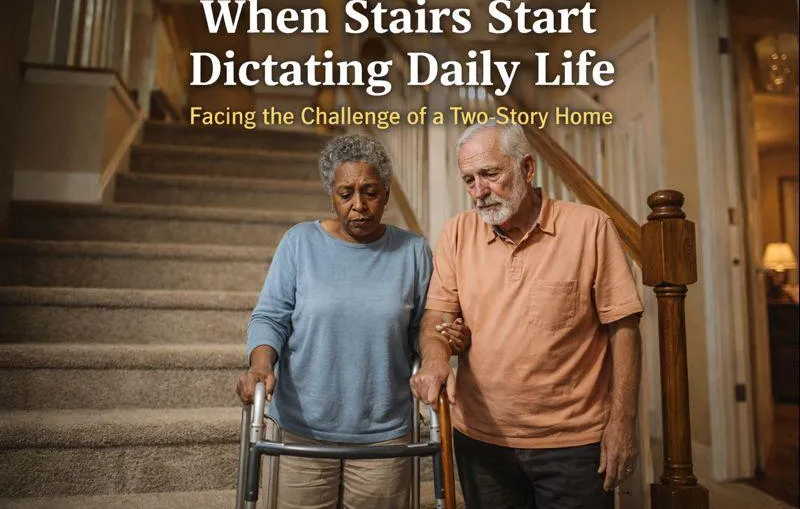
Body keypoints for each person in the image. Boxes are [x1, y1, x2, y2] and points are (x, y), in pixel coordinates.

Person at [410, 122, 643, 509]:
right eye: (469, 180)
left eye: (490, 174)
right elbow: (437, 315)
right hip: (480, 441)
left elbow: (624, 327)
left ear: (527, 168)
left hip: (573, 444)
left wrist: (623, 421)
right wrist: (435, 362)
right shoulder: (457, 233)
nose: (479, 192)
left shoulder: (589, 227)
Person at [235, 134, 469, 509]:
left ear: (387, 192)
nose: (358, 205)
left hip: (384, 433)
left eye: (370, 192)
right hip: (303, 431)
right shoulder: (299, 243)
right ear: (332, 194)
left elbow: (424, 329)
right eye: (346, 194)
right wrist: (261, 366)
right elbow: (270, 317)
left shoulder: (412, 251)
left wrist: (442, 342)